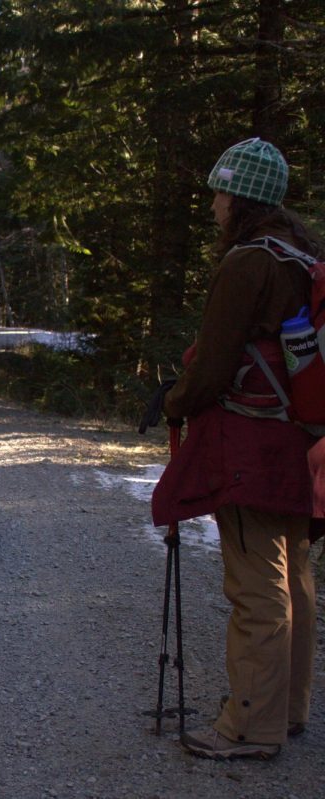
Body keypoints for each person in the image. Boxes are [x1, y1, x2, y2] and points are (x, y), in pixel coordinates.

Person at [152, 137, 321, 760]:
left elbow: (215, 364)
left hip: (252, 441)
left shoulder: (249, 261)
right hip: (300, 438)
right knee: (294, 574)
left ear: (242, 198)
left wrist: (172, 401)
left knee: (256, 585)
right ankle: (288, 710)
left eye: (221, 193)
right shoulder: (303, 253)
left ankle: (249, 727)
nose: (214, 205)